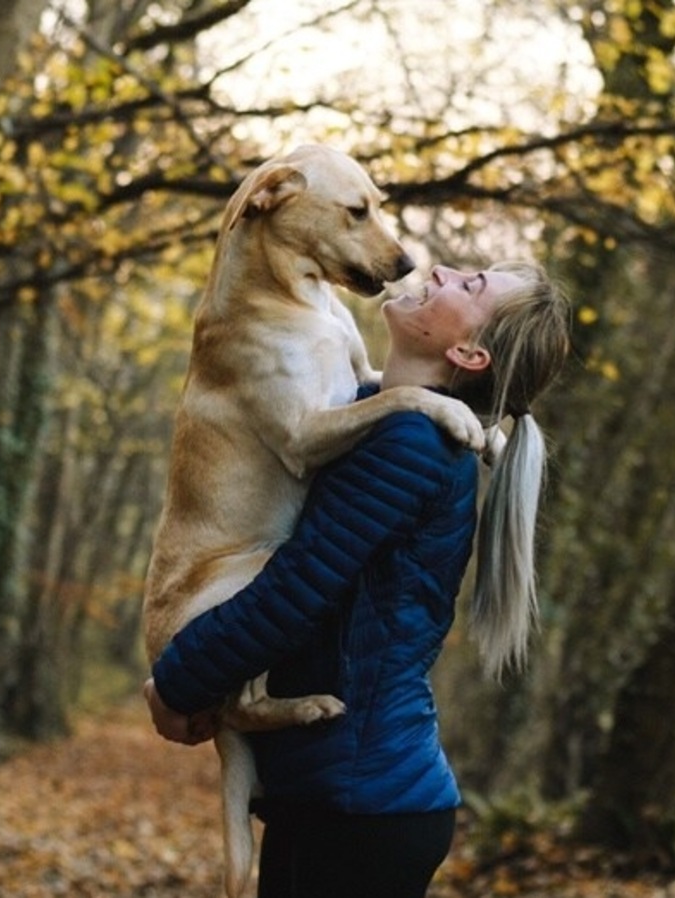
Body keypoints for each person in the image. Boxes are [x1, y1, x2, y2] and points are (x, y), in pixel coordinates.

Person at [144, 260, 571, 898]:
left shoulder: (411, 443)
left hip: (364, 809)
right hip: (338, 802)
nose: (446, 270)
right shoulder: (377, 421)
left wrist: (177, 685)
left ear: (466, 352)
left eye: (471, 286)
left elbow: (297, 591)